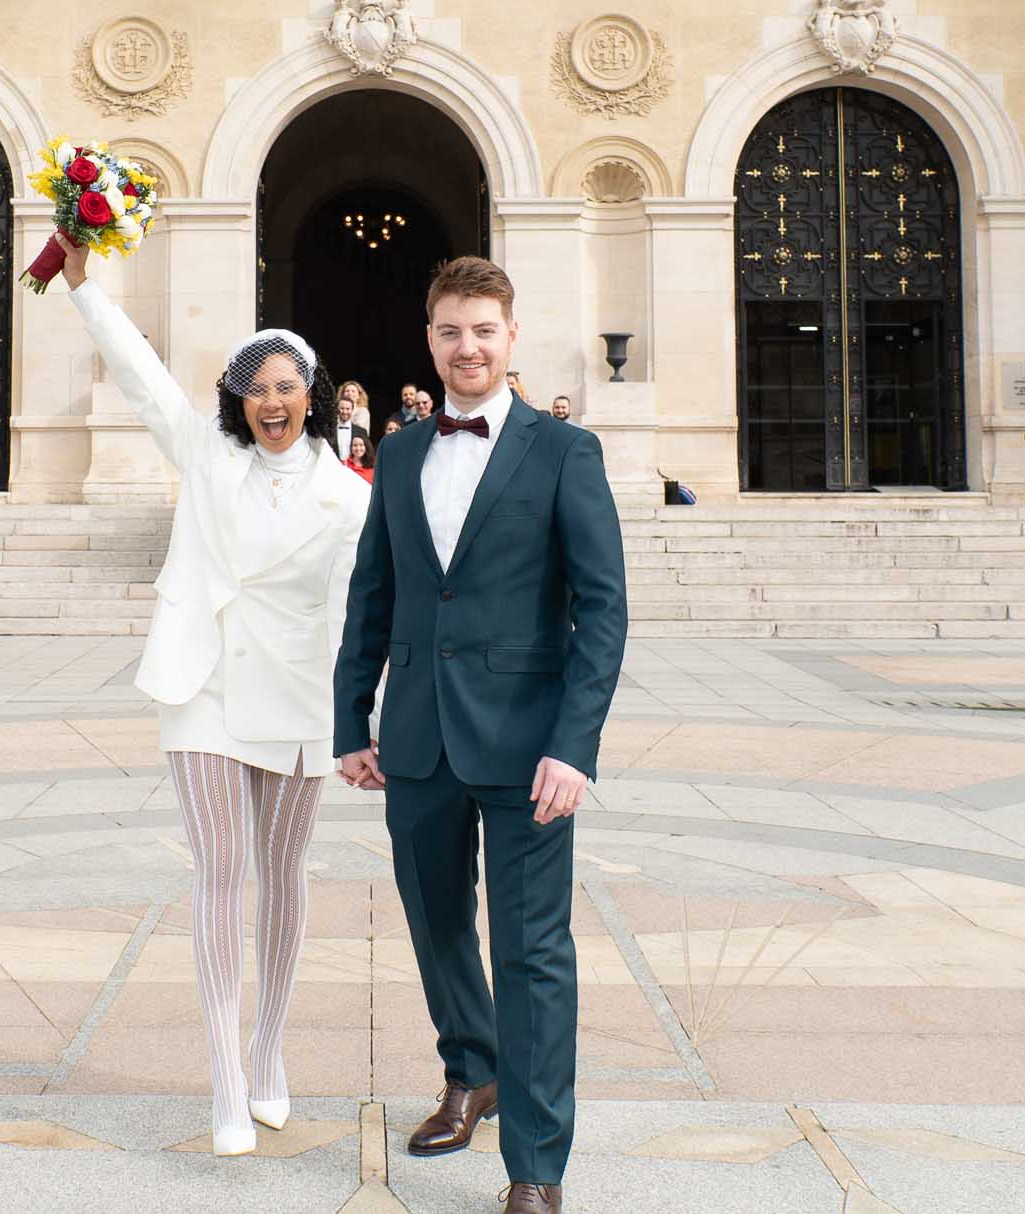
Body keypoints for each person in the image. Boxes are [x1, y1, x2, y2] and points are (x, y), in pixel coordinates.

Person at [51, 234, 371, 1158]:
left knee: (284, 877)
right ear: (239, 400)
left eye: (287, 387)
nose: (271, 403)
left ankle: (269, 1049)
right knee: (219, 872)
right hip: (202, 684)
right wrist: (85, 291)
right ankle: (226, 1079)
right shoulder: (205, 456)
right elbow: (144, 375)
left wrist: (363, 723)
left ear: (312, 394)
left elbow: (357, 620)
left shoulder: (350, 500)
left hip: (301, 696)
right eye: (255, 389)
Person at [332, 256, 629, 1214]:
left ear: (511, 339)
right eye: (451, 331)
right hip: (417, 736)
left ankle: (536, 1168)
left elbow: (603, 610)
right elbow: (373, 591)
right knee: (435, 920)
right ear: (431, 340)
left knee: (534, 950)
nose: (468, 347)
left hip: (529, 744)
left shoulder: (563, 453)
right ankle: (472, 1071)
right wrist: (353, 718)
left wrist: (574, 747)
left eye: (484, 331)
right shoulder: (405, 453)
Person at [332, 388, 369, 464]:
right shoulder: (329, 430)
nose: (345, 412)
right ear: (337, 409)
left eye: (348, 409)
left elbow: (366, 454)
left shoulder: (361, 431)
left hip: (354, 469)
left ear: (352, 410)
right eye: (342, 408)